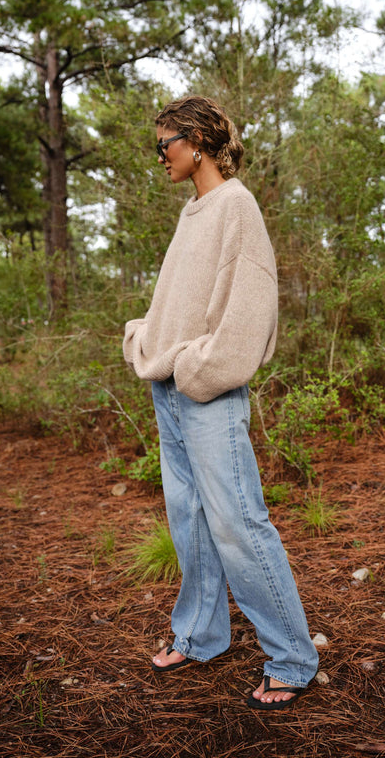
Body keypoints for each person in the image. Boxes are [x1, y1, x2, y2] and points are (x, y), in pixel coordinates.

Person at [123, 95, 319, 710]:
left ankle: (290, 655)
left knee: (237, 523)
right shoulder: (195, 211)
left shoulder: (237, 205)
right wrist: (147, 339)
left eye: (165, 144)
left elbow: (250, 312)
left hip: (206, 392)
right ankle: (201, 635)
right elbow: (177, 300)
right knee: (190, 521)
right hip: (170, 388)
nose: (160, 156)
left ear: (197, 141)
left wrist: (196, 368)